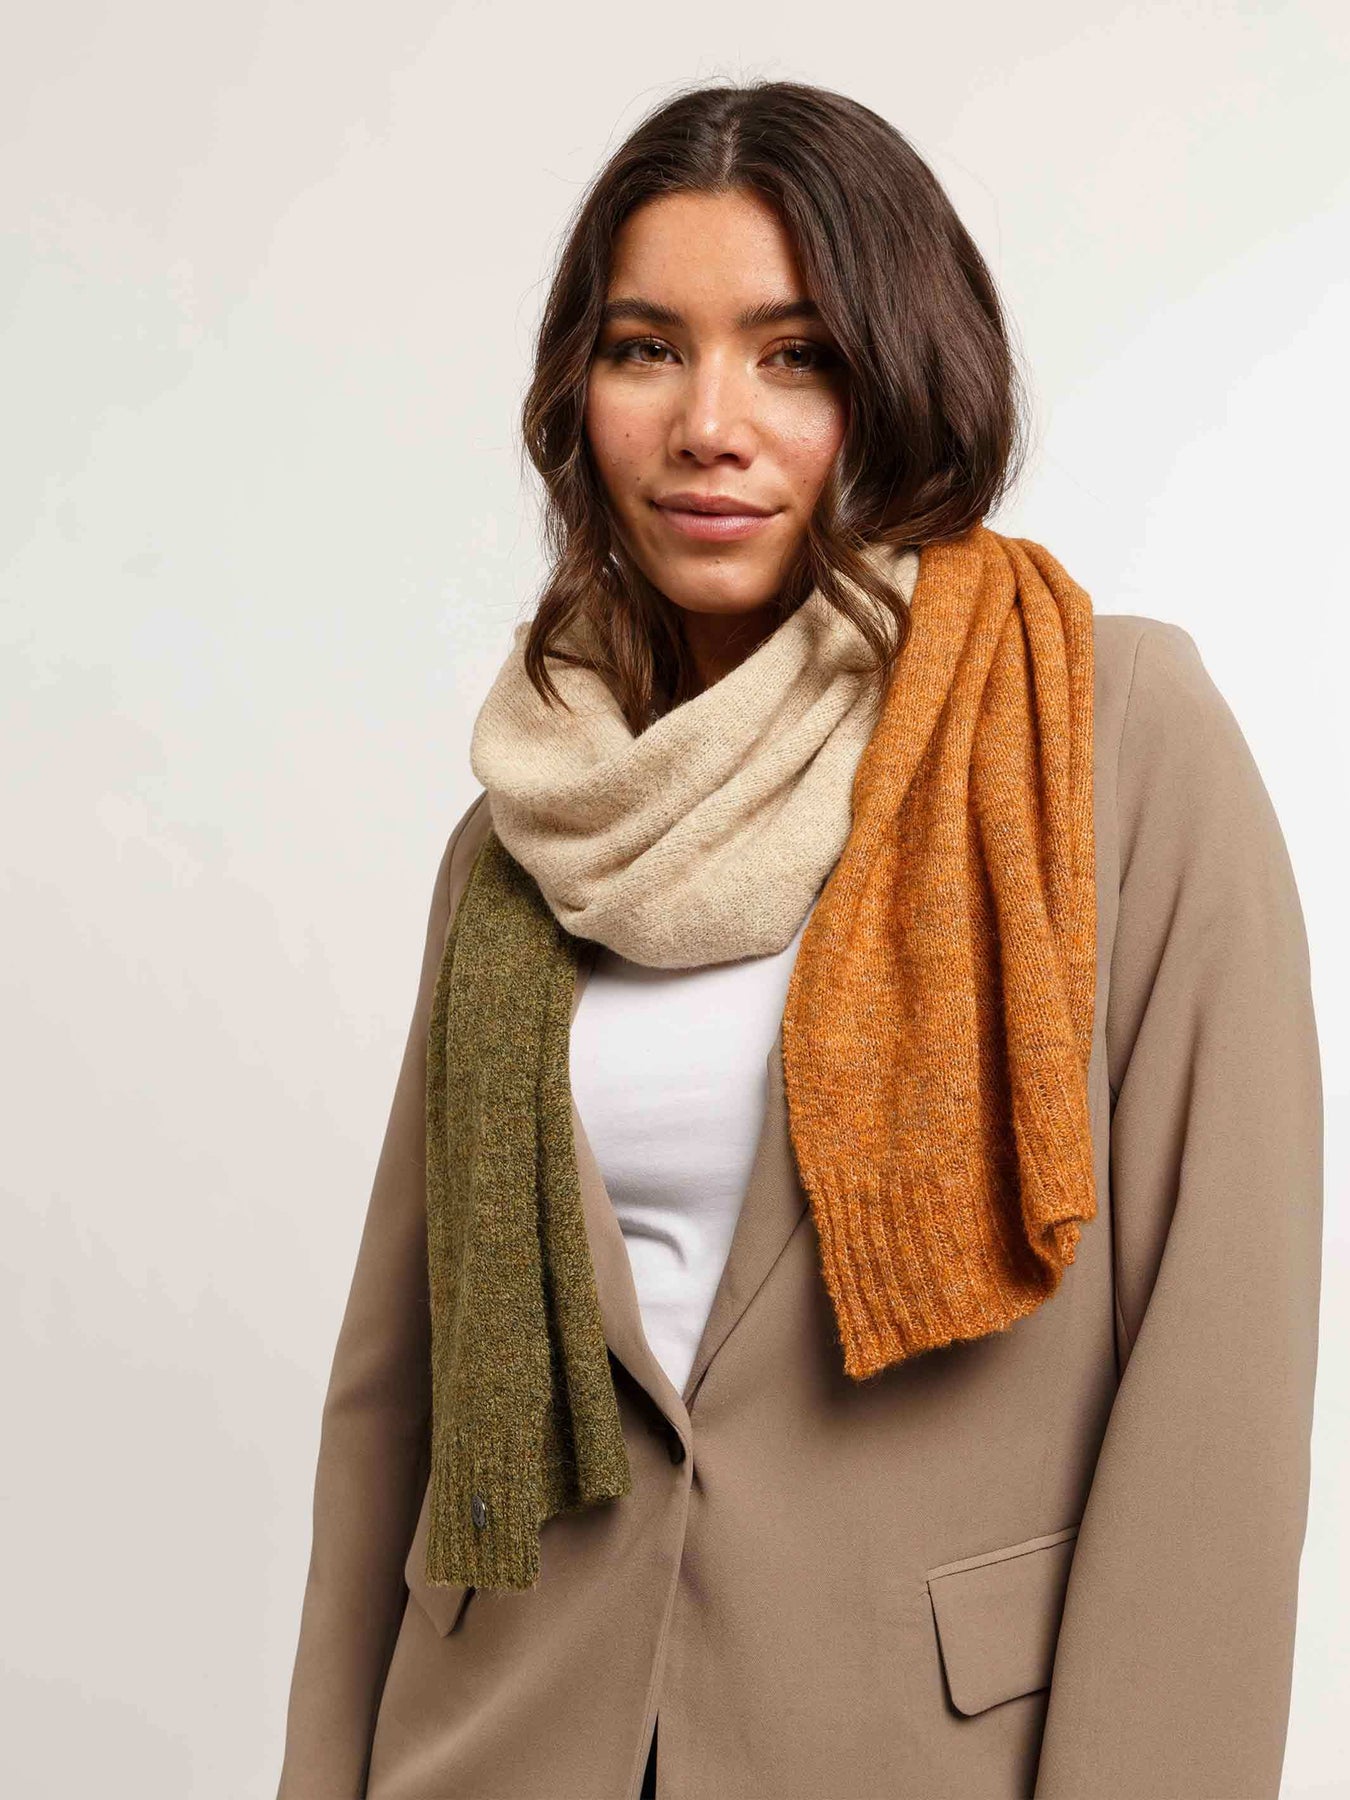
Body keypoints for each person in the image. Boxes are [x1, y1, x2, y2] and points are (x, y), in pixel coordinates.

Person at [275, 79, 1323, 1800]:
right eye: (644, 349)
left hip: (915, 1752)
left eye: (795, 357)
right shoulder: (526, 825)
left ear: (904, 384)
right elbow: (394, 1402)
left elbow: (1221, 1369)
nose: (709, 425)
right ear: (576, 395)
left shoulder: (1101, 735)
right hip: (499, 1743)